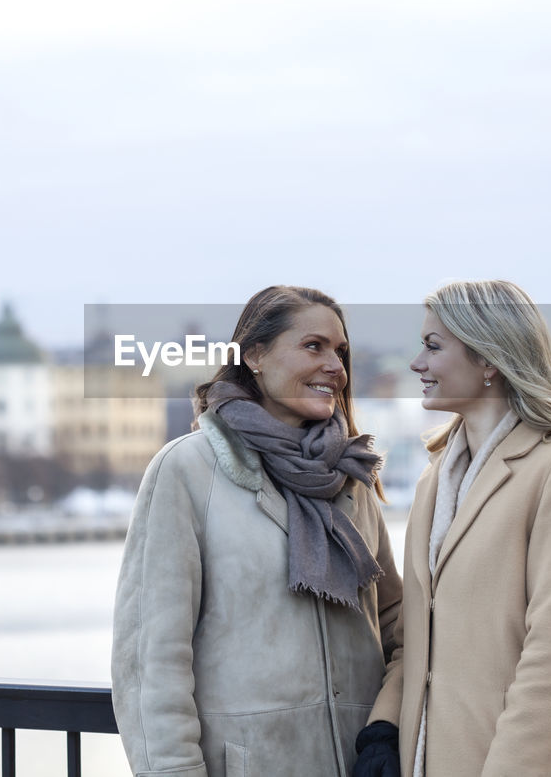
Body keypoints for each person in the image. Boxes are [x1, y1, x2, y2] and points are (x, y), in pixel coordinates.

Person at [112, 285, 403, 777]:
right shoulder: (187, 470)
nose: (336, 366)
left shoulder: (350, 475)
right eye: (314, 346)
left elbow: (396, 623)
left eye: (341, 351)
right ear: (255, 356)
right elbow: (149, 662)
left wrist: (387, 729)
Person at [355, 280, 551, 777]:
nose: (417, 363)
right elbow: (417, 640)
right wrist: (384, 727)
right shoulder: (434, 480)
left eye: (433, 346)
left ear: (488, 360)